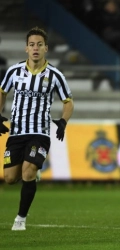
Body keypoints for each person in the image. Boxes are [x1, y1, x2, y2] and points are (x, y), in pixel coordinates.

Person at [0, 27, 74, 231]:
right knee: (9, 179)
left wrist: (63, 121)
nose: (35, 48)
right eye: (32, 44)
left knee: (28, 171)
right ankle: (33, 171)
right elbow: (2, 92)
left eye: (39, 45)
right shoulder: (14, 72)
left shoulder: (55, 75)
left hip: (40, 132)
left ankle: (20, 219)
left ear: (46, 48)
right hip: (17, 132)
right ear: (26, 48)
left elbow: (68, 102)